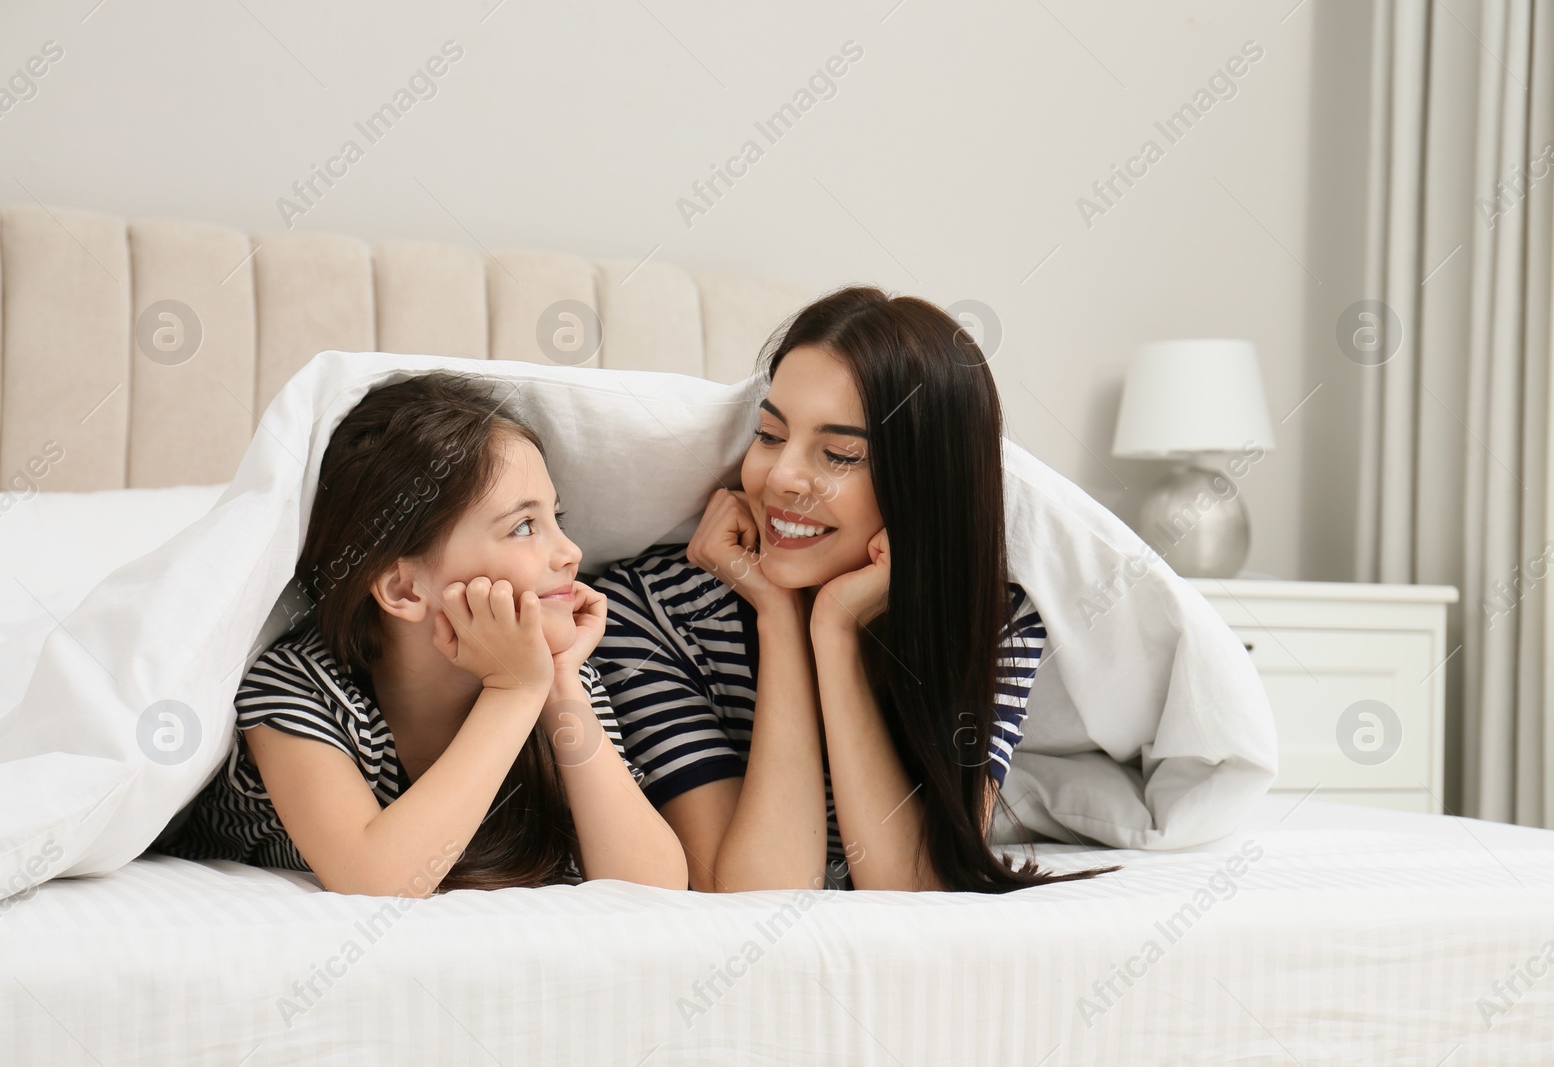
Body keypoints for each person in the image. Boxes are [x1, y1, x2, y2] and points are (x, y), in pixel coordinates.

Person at [593, 287, 1119, 892]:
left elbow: (915, 889)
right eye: (769, 434)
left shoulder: (990, 623)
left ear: (921, 483)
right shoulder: (648, 613)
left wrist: (835, 632)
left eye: (839, 454)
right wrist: (780, 618)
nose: (781, 477)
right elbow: (750, 893)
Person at [160, 372, 687, 895]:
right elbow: (376, 879)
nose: (571, 551)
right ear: (404, 590)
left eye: (557, 517)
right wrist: (515, 691)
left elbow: (653, 888)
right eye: (524, 527)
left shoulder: (555, 680)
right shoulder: (300, 688)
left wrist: (560, 684)